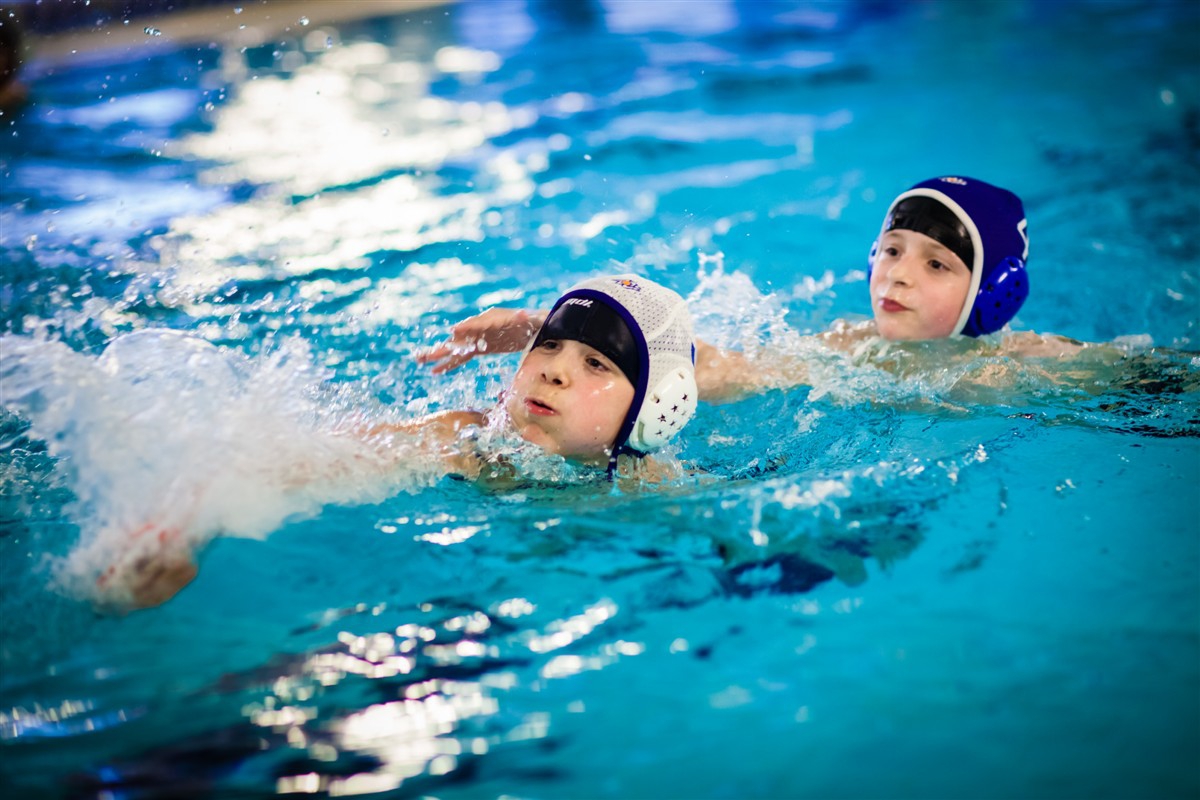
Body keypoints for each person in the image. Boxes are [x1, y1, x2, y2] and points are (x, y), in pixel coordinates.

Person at [96, 273, 699, 609]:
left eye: (596, 364)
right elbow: (306, 460)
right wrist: (185, 528)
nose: (555, 371)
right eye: (547, 346)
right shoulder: (469, 443)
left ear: (655, 411)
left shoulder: (659, 488)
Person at [419, 176, 1132, 403]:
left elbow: (1156, 380)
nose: (899, 273)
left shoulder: (1031, 362)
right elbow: (713, 369)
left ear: (995, 293)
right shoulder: (848, 349)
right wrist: (544, 329)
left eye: (937, 265)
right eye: (891, 250)